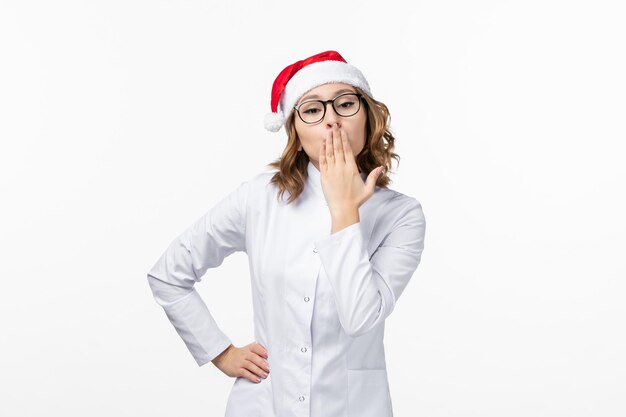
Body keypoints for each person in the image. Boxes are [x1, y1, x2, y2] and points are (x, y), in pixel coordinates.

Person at [147, 50, 427, 417]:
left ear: (369, 117)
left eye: (345, 104)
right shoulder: (258, 198)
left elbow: (360, 318)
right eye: (312, 110)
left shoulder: (402, 215)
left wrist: (345, 210)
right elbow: (168, 275)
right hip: (264, 405)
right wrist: (220, 351)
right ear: (294, 128)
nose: (332, 122)